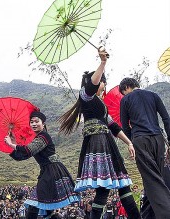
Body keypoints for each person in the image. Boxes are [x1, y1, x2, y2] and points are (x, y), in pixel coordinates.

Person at [58, 48, 140, 219]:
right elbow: (92, 85)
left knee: (118, 186)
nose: (103, 85)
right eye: (103, 82)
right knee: (107, 187)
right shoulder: (86, 96)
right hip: (98, 143)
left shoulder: (100, 106)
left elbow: (114, 126)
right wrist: (103, 63)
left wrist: (129, 143)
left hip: (107, 143)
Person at [4, 110, 80, 219]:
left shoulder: (43, 136)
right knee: (45, 205)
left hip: (52, 171)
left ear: (43, 124)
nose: (34, 124)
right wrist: (13, 144)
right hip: (47, 172)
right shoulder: (38, 138)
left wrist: (12, 144)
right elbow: (22, 156)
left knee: (34, 203)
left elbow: (28, 150)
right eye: (31, 122)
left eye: (36, 121)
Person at [119, 77, 170, 218]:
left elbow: (124, 126)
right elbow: (166, 118)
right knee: (158, 175)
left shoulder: (126, 100)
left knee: (152, 179)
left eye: (124, 92)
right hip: (158, 140)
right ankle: (147, 215)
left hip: (140, 141)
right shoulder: (154, 95)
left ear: (126, 88)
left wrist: (131, 143)